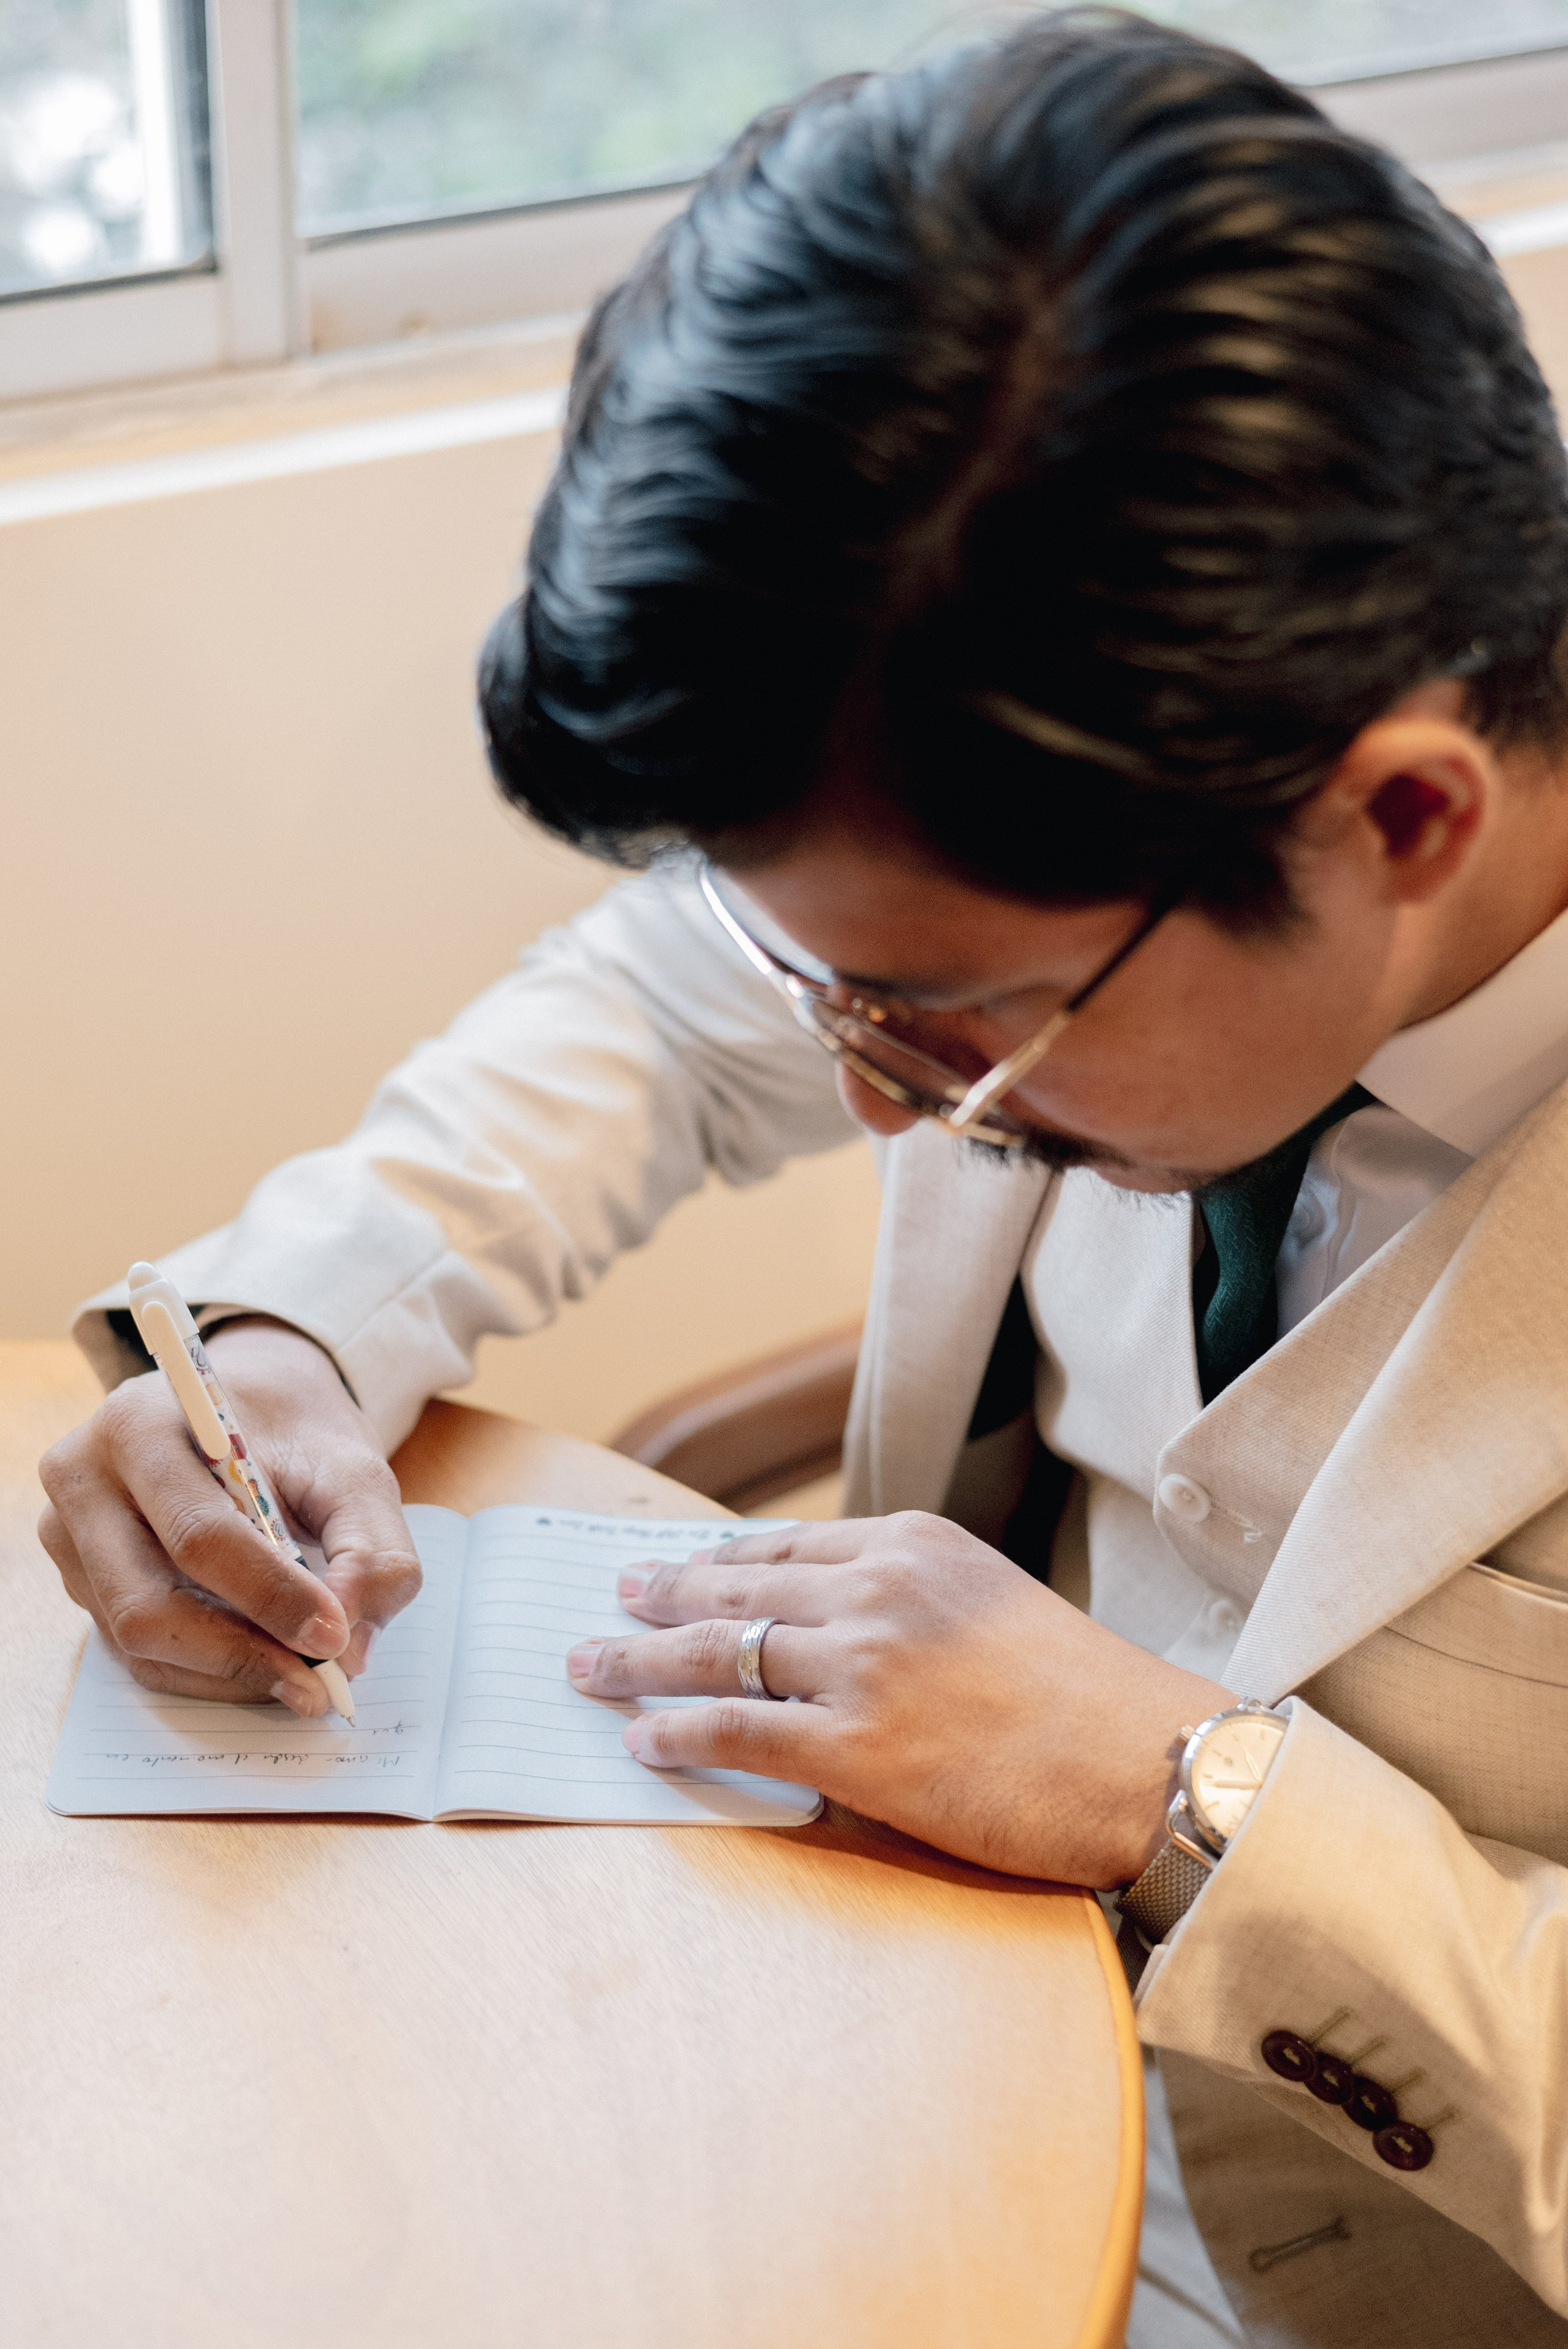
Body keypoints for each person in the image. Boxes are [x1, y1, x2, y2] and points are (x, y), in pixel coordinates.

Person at [38, 10, 1568, 2342]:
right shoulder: (1041, 827)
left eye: (949, 1018)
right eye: (824, 980)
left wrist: (1186, 1802)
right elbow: (670, 1002)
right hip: (914, 2057)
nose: (874, 1101)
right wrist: (283, 1332)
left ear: (1404, 817)